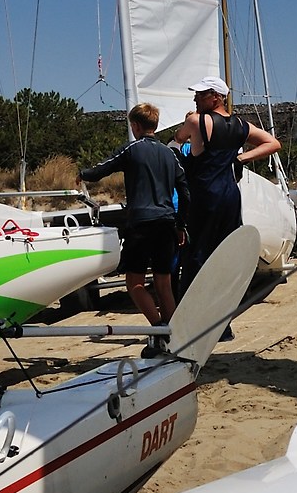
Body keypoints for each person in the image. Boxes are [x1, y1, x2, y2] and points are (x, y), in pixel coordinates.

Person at [80, 103, 186, 325]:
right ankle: (173, 333)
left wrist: (82, 175)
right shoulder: (170, 154)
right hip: (167, 223)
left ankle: (157, 327)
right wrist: (181, 224)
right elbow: (185, 192)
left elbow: (102, 169)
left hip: (141, 224)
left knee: (134, 283)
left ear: (135, 126)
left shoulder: (131, 149)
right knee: (164, 282)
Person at [179, 77, 281, 286]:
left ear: (216, 97)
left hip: (205, 193)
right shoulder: (241, 125)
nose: (195, 98)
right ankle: (227, 297)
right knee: (226, 247)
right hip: (230, 194)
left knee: (197, 248)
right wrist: (241, 158)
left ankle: (194, 299)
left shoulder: (197, 121)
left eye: (200, 94)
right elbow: (273, 143)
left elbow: (178, 137)